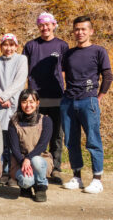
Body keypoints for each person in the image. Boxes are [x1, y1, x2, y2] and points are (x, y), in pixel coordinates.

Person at [61, 16, 113, 194]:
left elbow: (107, 76)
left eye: (83, 29)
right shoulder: (68, 53)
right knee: (70, 140)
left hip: (88, 100)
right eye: (77, 29)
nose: (80, 32)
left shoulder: (99, 51)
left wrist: (98, 97)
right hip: (68, 102)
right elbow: (62, 75)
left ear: (91, 31)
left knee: (93, 140)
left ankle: (97, 179)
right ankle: (77, 176)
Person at [22, 12, 69, 183]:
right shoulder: (31, 45)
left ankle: (55, 167)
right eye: (41, 25)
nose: (45, 27)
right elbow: (23, 70)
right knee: (35, 133)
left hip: (56, 96)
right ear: (38, 26)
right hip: (35, 100)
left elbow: (67, 70)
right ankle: (36, 164)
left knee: (57, 133)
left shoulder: (62, 46)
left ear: (54, 25)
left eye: (48, 24)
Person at [0, 33, 28, 182]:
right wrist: (0, 98)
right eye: (5, 45)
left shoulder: (21, 59)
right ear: (1, 46)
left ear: (16, 46)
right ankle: (2, 171)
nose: (8, 48)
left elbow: (20, 81)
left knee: (14, 139)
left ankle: (13, 172)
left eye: (11, 45)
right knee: (0, 139)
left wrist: (7, 98)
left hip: (14, 103)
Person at [8, 89, 53, 202]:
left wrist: (29, 158)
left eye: (31, 101)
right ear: (20, 103)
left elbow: (42, 145)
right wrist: (23, 161)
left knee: (36, 161)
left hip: (40, 158)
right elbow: (14, 148)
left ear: (37, 103)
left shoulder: (46, 121)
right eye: (24, 101)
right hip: (20, 161)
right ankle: (26, 187)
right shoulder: (14, 122)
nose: (28, 105)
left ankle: (40, 187)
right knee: (26, 181)